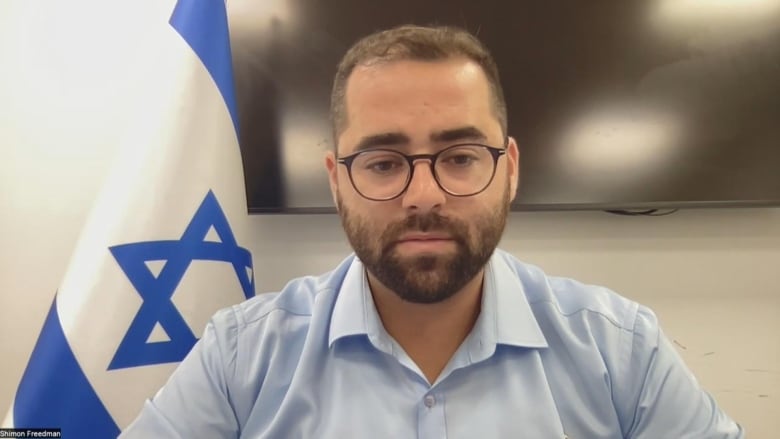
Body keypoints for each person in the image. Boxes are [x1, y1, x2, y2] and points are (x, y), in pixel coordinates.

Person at [122, 25, 743, 438]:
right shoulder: (240, 359)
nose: (425, 195)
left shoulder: (620, 352)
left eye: (462, 156)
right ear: (336, 180)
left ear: (511, 170)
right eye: (384, 162)